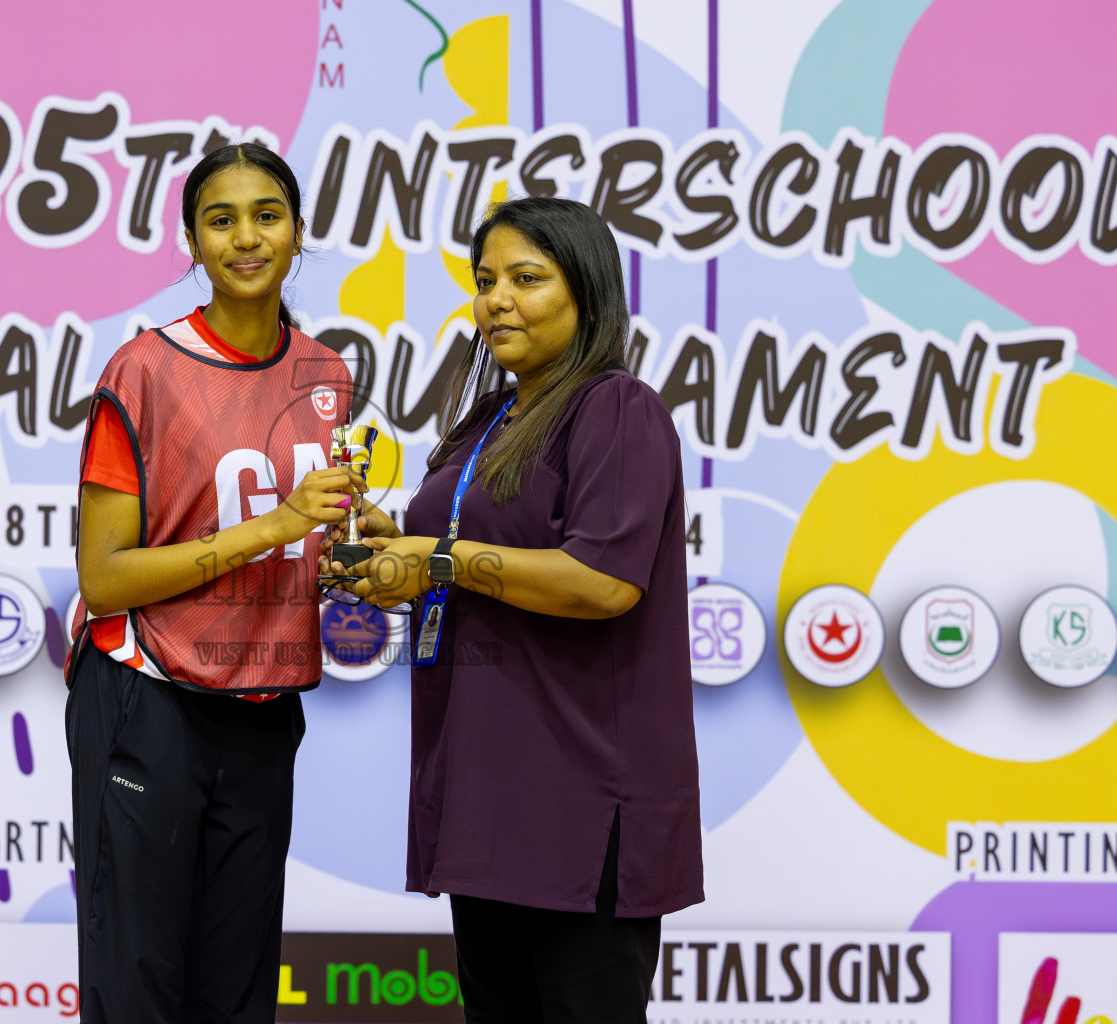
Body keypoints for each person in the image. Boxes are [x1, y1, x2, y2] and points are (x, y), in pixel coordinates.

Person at [338, 196, 702, 1022]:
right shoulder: (487, 422)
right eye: (485, 280)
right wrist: (391, 551)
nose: (496, 299)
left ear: (588, 292)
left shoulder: (616, 406)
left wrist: (440, 558)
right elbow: (461, 558)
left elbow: (602, 582)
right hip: (482, 793)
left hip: (575, 801)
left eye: (527, 279)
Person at [65, 141, 355, 1024]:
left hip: (264, 710)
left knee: (238, 992)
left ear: (300, 232)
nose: (246, 238)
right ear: (191, 243)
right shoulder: (143, 371)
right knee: (140, 983)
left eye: (267, 215)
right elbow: (105, 578)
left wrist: (356, 549)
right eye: (220, 220)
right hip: (146, 700)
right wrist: (273, 526)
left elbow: (312, 537)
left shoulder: (326, 374)